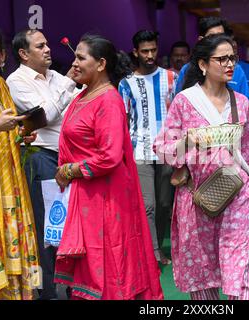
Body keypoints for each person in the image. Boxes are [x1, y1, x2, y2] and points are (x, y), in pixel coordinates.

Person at [53, 34, 163, 300]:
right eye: (75, 56)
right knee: (91, 265)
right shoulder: (83, 96)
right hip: (85, 196)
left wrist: (70, 170)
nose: (74, 63)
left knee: (107, 266)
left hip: (105, 198)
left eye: (81, 57)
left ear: (101, 64)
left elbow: (110, 156)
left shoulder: (108, 101)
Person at [154, 34, 249, 300]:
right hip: (197, 199)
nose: (229, 64)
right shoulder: (184, 101)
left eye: (232, 58)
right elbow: (163, 149)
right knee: (202, 275)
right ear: (203, 64)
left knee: (242, 269)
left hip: (238, 194)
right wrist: (189, 142)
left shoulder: (242, 103)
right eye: (221, 59)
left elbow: (247, 151)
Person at [6, 29, 79, 300]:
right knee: (46, 230)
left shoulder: (54, 77)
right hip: (40, 157)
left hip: (66, 160)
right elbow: (45, 115)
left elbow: (75, 107)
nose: (48, 49)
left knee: (67, 228)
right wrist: (69, 84)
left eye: (48, 44)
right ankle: (47, 293)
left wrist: (68, 85)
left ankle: (70, 289)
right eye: (40, 46)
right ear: (24, 54)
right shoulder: (16, 80)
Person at [0, 24, 40, 300]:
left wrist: (20, 135)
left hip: (6, 178)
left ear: (3, 57)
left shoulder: (2, 86)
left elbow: (4, 130)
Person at [118, 30, 177, 265]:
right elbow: (123, 118)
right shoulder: (126, 83)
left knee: (165, 204)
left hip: (167, 148)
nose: (150, 55)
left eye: (153, 49)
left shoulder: (172, 77)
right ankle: (152, 252)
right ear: (136, 52)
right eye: (145, 51)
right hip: (139, 150)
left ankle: (156, 245)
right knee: (148, 205)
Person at [176, 17, 249, 149]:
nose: (218, 42)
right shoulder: (187, 71)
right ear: (201, 40)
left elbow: (247, 110)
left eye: (222, 37)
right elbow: (178, 111)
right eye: (213, 37)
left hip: (233, 146)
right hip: (198, 149)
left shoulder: (237, 70)